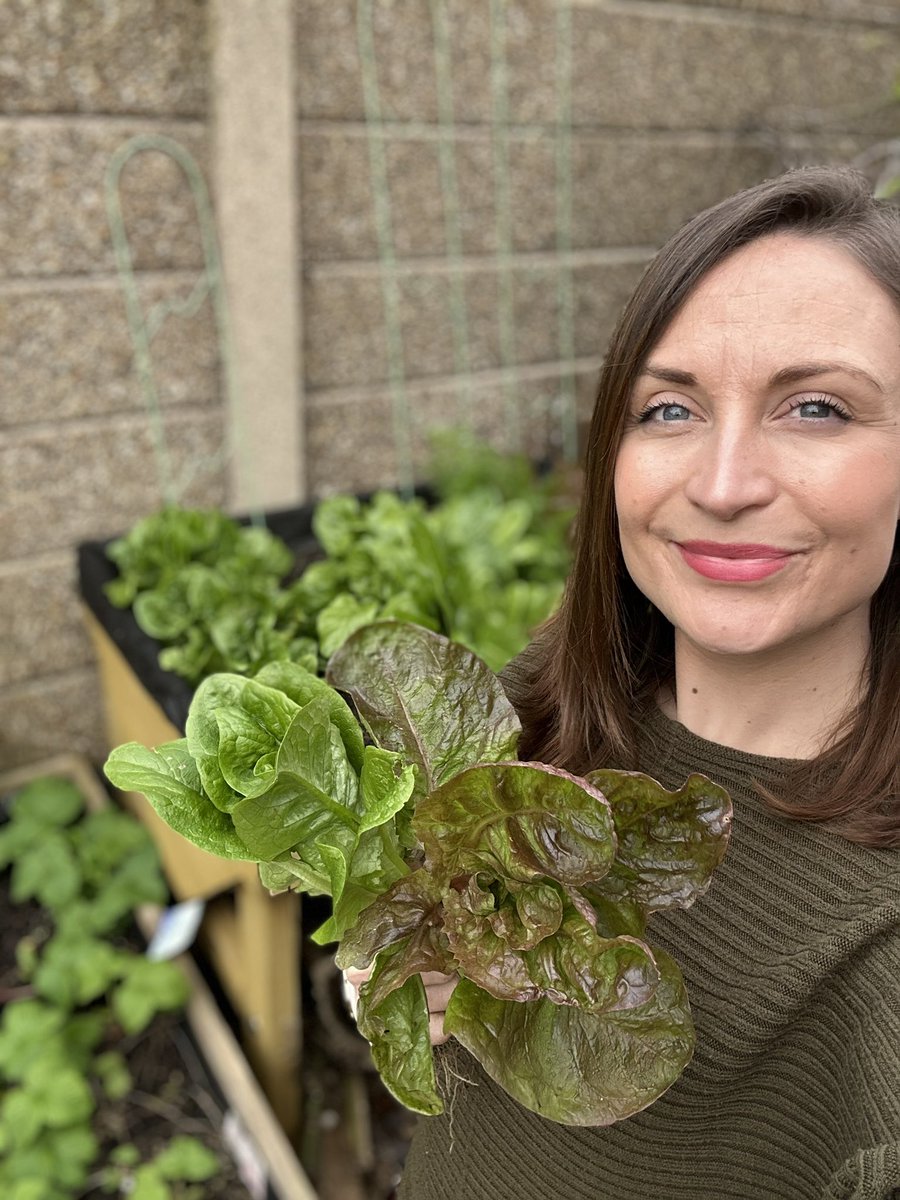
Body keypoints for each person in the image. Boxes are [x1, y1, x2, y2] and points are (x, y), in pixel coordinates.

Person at [350, 165, 900, 1199]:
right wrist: (398, 979)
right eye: (670, 409)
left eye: (816, 407)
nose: (724, 483)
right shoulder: (544, 704)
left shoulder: (876, 958)